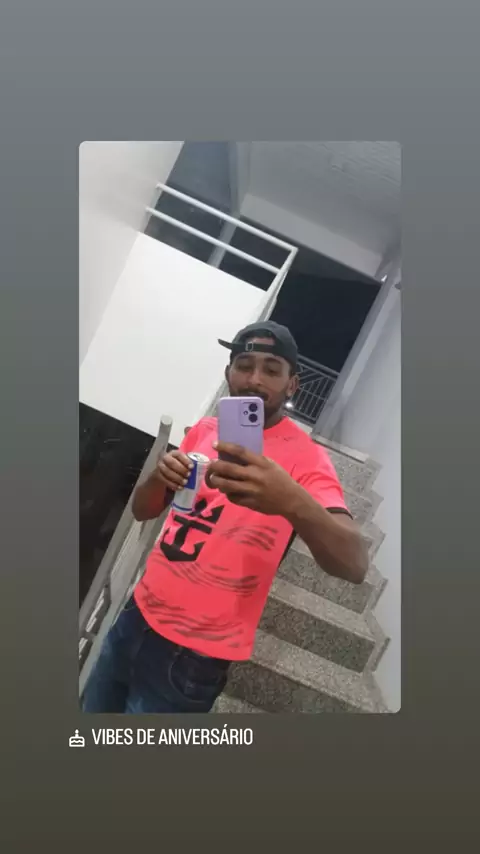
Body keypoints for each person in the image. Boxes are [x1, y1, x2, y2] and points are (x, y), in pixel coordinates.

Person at [82, 321, 368, 713]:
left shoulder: (308, 460)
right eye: (244, 366)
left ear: (292, 385)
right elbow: (142, 510)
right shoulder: (204, 430)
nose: (255, 379)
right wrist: (159, 476)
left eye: (271, 370)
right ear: (228, 373)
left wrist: (292, 500)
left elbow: (354, 565)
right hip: (137, 613)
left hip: (192, 657)